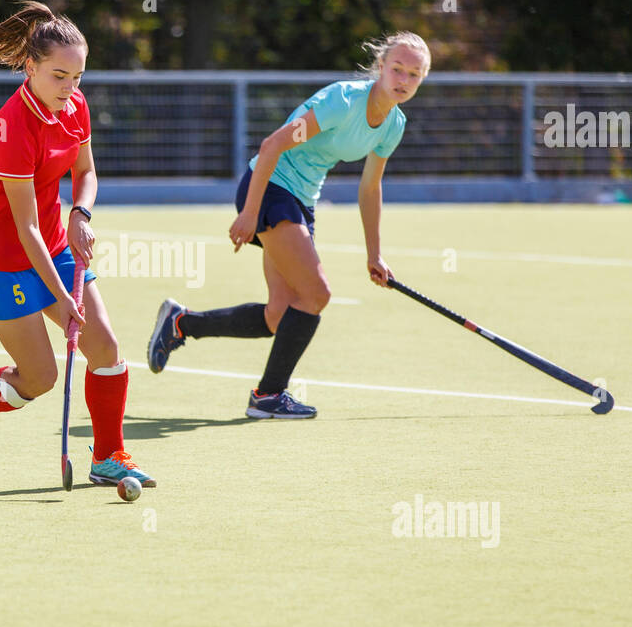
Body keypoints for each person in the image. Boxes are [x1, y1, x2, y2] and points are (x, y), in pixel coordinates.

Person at [0, 1, 154, 489]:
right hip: (0, 262)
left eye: (78, 77)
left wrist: (80, 214)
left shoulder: (75, 107)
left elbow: (86, 172)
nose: (70, 88)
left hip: (54, 245)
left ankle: (109, 457)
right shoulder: (11, 128)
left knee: (107, 348)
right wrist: (66, 298)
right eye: (59, 76)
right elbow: (24, 227)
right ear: (30, 68)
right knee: (39, 379)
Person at [146, 31, 431, 418]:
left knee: (278, 316)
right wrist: (249, 212)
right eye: (397, 69)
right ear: (380, 67)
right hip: (271, 188)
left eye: (414, 74)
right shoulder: (343, 102)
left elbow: (370, 188)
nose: (403, 80)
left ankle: (181, 323)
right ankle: (269, 395)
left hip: (301, 200)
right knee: (316, 294)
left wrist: (375, 254)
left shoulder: (393, 124)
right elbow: (272, 145)